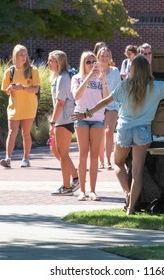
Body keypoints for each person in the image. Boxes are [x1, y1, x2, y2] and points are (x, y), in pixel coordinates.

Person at [72, 45, 164, 215]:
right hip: (143, 131)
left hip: (124, 128)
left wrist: (86, 113)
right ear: (148, 69)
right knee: (137, 171)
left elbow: (106, 101)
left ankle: (127, 194)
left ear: (132, 68)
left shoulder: (126, 85)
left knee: (118, 163)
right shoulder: (156, 86)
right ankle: (131, 207)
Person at [71, 51, 109, 201]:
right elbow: (76, 96)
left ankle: (92, 190)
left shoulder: (100, 79)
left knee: (94, 156)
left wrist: (103, 80)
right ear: (82, 64)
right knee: (83, 155)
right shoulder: (77, 78)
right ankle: (82, 190)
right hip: (81, 118)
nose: (91, 64)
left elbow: (106, 99)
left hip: (98, 119)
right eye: (87, 62)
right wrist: (88, 77)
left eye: (93, 61)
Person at [0, 44, 40, 168]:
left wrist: (22, 87)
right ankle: (8, 158)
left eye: (25, 54)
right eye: (21, 55)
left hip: (29, 106)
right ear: (15, 56)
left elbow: (36, 89)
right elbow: (6, 90)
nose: (24, 57)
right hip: (14, 107)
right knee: (12, 132)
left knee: (26, 133)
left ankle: (26, 158)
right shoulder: (9, 72)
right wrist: (10, 89)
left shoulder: (33, 70)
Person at [47, 50, 80, 196]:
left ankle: (66, 187)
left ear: (58, 62)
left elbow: (60, 103)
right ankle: (76, 177)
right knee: (55, 150)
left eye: (50, 60)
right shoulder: (59, 77)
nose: (48, 63)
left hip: (63, 120)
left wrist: (52, 122)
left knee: (63, 153)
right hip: (60, 120)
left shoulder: (63, 78)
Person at [97, 47, 122, 170]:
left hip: (112, 105)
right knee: (100, 132)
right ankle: (100, 160)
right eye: (102, 56)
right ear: (98, 56)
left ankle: (107, 160)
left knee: (108, 131)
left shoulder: (115, 71)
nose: (105, 58)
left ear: (110, 57)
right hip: (98, 106)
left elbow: (119, 88)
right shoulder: (95, 71)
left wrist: (119, 103)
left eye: (107, 56)